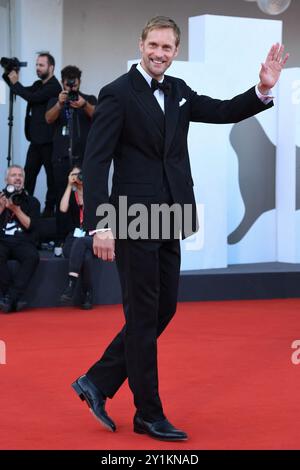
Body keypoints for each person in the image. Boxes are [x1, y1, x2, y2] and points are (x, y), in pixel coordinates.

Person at [72, 16, 289, 441]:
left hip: (170, 214)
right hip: (132, 217)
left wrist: (263, 88)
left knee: (161, 310)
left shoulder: (178, 90)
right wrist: (101, 225)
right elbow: (96, 163)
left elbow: (223, 111)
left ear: (175, 51)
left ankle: (97, 381)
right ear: (141, 44)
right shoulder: (118, 93)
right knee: (141, 316)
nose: (159, 53)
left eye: (167, 47)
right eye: (153, 45)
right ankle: (147, 413)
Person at [45, 66, 96, 255]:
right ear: (62, 82)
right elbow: (48, 119)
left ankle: (86, 234)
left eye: (74, 82)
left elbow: (98, 115)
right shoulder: (55, 100)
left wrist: (83, 105)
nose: (71, 86)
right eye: (68, 82)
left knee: (84, 198)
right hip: (60, 158)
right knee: (62, 198)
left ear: (79, 82)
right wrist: (59, 104)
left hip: (83, 159)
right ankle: (61, 239)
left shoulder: (87, 99)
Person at [5, 53, 61, 217]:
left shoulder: (54, 87)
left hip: (49, 142)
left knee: (52, 181)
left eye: (41, 65)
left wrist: (16, 83)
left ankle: (49, 214)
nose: (37, 68)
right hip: (36, 141)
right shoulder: (38, 84)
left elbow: (31, 97)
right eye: (36, 65)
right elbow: (21, 90)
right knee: (28, 178)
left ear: (51, 68)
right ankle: (21, 210)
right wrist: (9, 73)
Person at [0, 165, 40, 313]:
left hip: (22, 240)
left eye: (20, 176)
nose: (17, 178)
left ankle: (8, 298)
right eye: (13, 175)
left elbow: (30, 225)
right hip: (2, 240)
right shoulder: (0, 198)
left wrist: (16, 210)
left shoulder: (32, 201)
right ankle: (12, 298)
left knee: (32, 256)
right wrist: (2, 207)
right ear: (6, 179)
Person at [59, 167, 95, 310]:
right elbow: (62, 209)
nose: (77, 177)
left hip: (92, 235)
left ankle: (71, 284)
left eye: (79, 174)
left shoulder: (92, 194)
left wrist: (86, 189)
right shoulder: (71, 194)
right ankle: (88, 293)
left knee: (83, 242)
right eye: (73, 174)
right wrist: (69, 186)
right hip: (73, 237)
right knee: (85, 256)